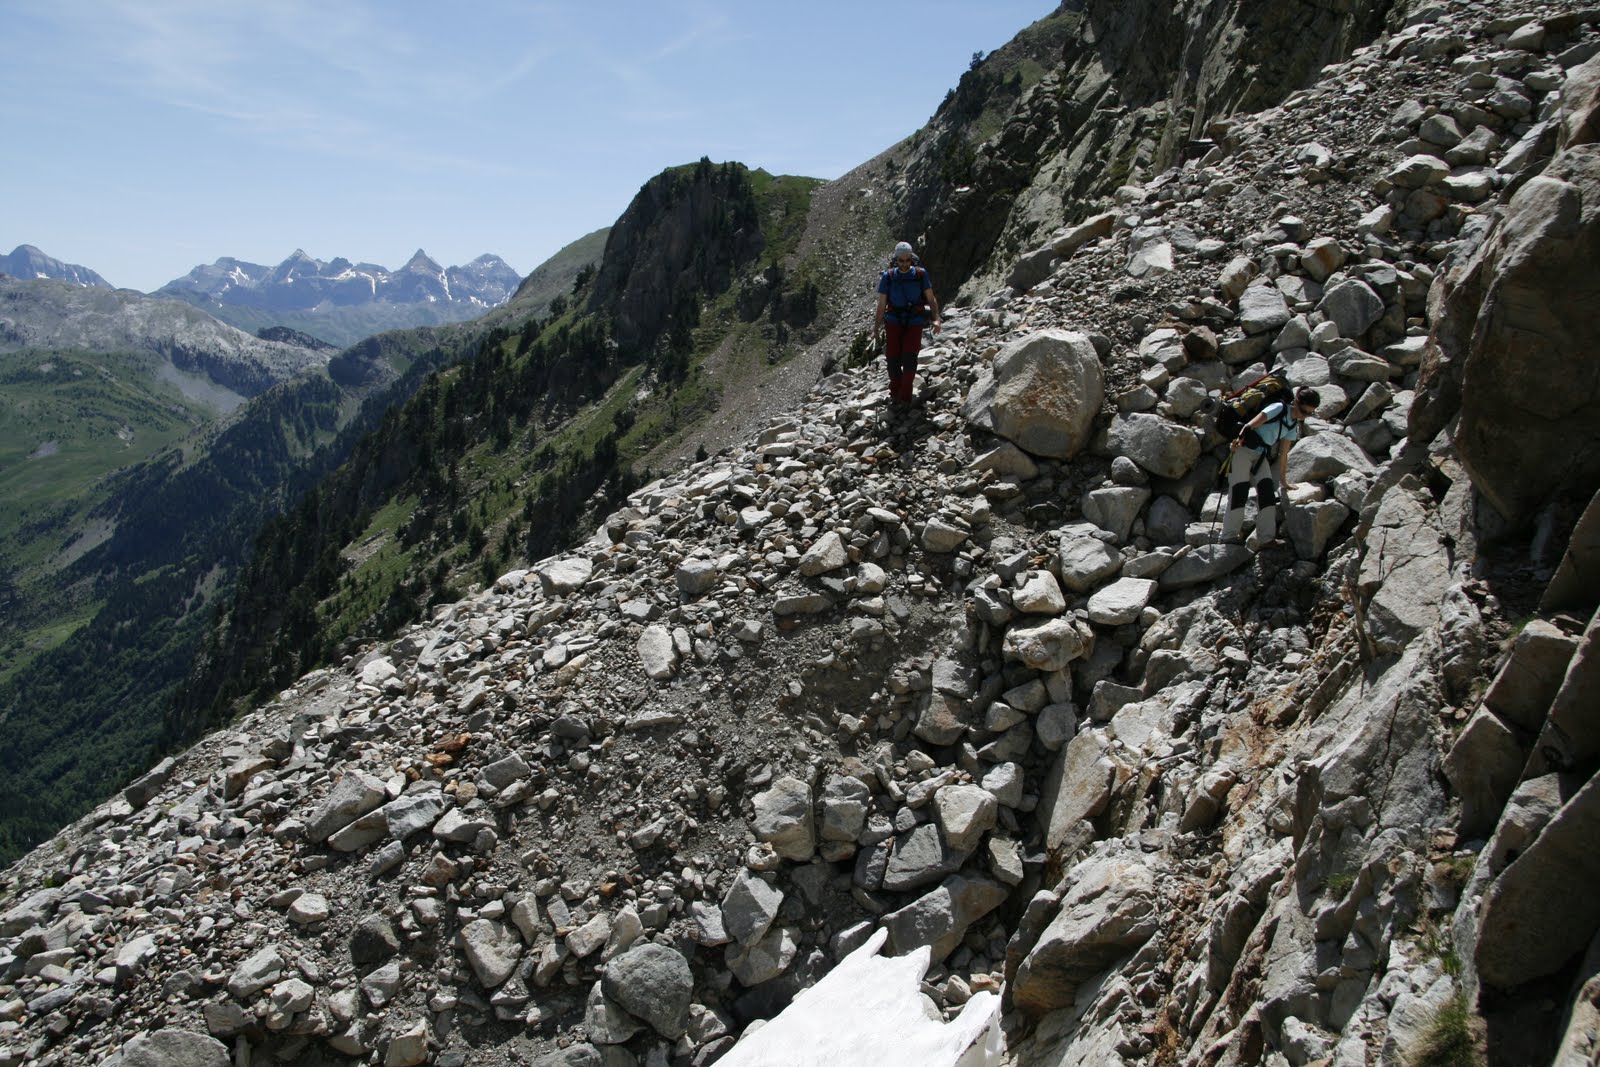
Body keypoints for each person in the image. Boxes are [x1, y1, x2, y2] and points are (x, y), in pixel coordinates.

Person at [1221, 386, 1321, 545]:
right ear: (1295, 402)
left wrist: (1283, 481)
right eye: (1304, 411)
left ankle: (1266, 538)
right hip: (1242, 451)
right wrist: (1237, 442)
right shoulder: (1278, 408)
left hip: (1260, 456)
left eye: (1310, 413)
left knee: (1267, 494)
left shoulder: (1292, 425)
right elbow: (1249, 425)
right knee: (1239, 491)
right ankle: (1228, 536)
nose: (1305, 416)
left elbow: (1284, 454)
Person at [874, 241, 941, 405]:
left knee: (910, 359)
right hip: (893, 321)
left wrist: (936, 319)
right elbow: (882, 304)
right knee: (893, 360)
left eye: (907, 260)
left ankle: (904, 397)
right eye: (901, 260)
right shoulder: (888, 277)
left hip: (914, 321)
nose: (904, 264)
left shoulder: (920, 274)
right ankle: (895, 393)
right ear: (896, 260)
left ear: (911, 259)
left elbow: (931, 299)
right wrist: (875, 327)